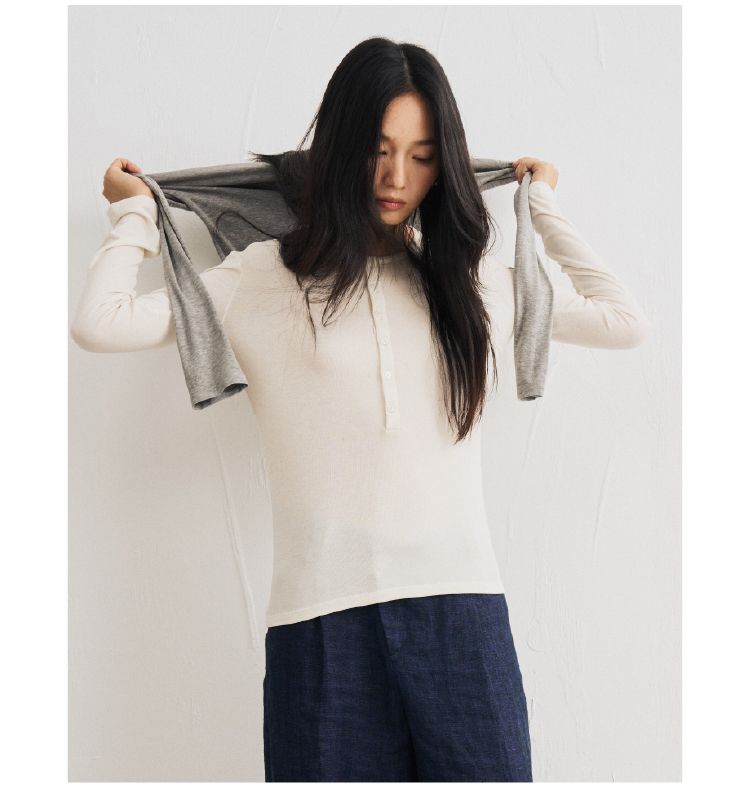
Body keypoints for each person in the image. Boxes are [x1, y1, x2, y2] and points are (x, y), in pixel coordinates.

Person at [71, 37, 651, 783]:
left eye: (422, 156)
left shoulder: (471, 279)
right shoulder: (262, 278)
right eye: (378, 149)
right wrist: (135, 215)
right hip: (320, 627)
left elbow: (623, 320)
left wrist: (540, 207)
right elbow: (101, 323)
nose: (396, 177)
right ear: (341, 148)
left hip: (464, 619)